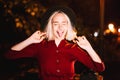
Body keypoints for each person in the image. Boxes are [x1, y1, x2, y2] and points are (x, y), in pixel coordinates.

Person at [5, 6, 105, 80]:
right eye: (56, 24)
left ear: (67, 27)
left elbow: (99, 68)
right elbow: (10, 55)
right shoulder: (40, 47)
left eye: (64, 24)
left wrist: (88, 48)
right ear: (50, 26)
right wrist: (30, 40)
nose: (60, 28)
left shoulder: (73, 48)